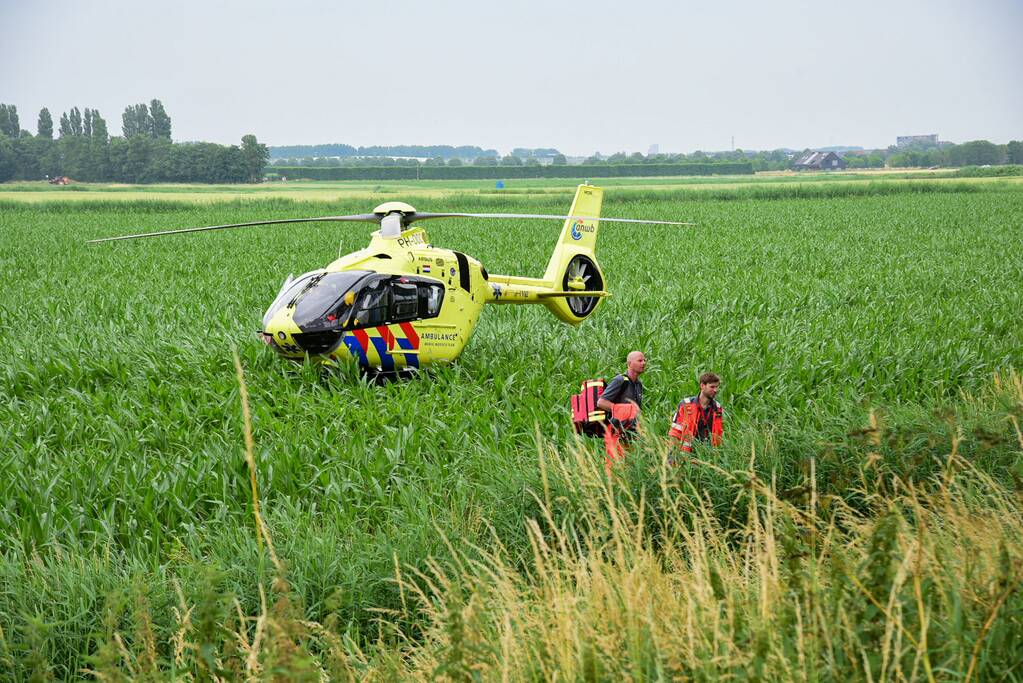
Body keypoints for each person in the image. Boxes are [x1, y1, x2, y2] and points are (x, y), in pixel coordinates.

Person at [597, 351, 646, 468]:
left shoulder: (639, 384)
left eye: (644, 360)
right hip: (616, 431)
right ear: (629, 363)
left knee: (630, 467)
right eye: (640, 360)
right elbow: (601, 402)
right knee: (615, 467)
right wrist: (621, 409)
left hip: (631, 432)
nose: (644, 363)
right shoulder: (620, 380)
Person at [668, 372, 723, 458]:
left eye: (717, 387)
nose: (715, 390)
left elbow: (718, 434)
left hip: (708, 456)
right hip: (686, 454)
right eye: (712, 387)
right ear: (702, 386)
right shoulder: (686, 405)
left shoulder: (717, 408)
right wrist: (672, 456)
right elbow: (675, 432)